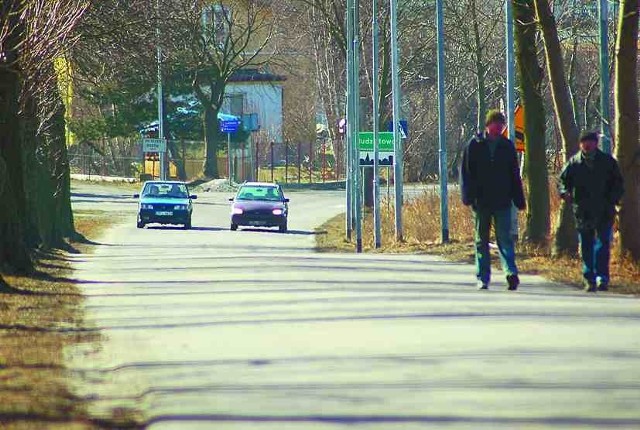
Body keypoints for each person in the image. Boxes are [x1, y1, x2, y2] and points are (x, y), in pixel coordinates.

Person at [460, 110, 526, 291]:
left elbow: (514, 176)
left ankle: (510, 272)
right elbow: (466, 173)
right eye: (495, 125)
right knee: (481, 241)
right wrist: (467, 196)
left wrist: (519, 199)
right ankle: (483, 277)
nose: (498, 128)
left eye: (501, 125)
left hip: (503, 200)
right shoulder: (474, 145)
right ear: (488, 125)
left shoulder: (507, 147)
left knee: (505, 239)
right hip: (481, 202)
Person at [558, 131, 624, 292]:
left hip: (604, 209)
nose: (587, 145)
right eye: (584, 142)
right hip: (582, 210)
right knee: (586, 244)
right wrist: (564, 192)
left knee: (603, 243)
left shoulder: (607, 162)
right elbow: (562, 181)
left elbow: (618, 184)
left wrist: (614, 200)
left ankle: (603, 277)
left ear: (596, 144)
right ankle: (589, 278)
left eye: (590, 142)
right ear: (580, 145)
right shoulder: (574, 163)